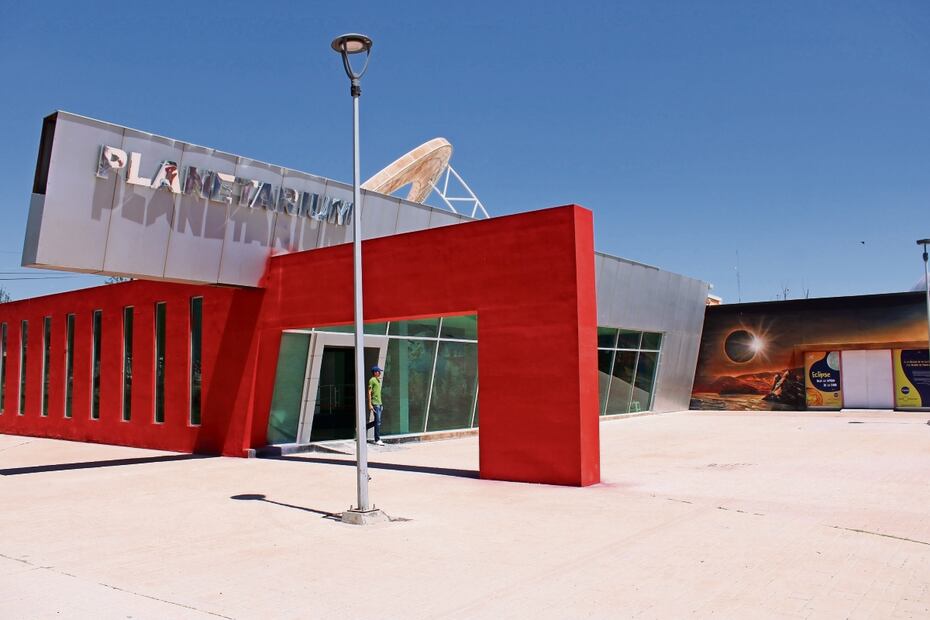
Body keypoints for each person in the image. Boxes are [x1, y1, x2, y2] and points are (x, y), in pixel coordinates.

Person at [367, 365, 384, 446]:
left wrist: (381, 404)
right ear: (375, 372)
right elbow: (369, 392)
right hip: (375, 403)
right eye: (378, 371)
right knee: (378, 422)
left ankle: (363, 428)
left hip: (379, 404)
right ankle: (377, 439)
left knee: (378, 421)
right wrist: (370, 404)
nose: (380, 373)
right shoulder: (372, 380)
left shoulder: (378, 380)